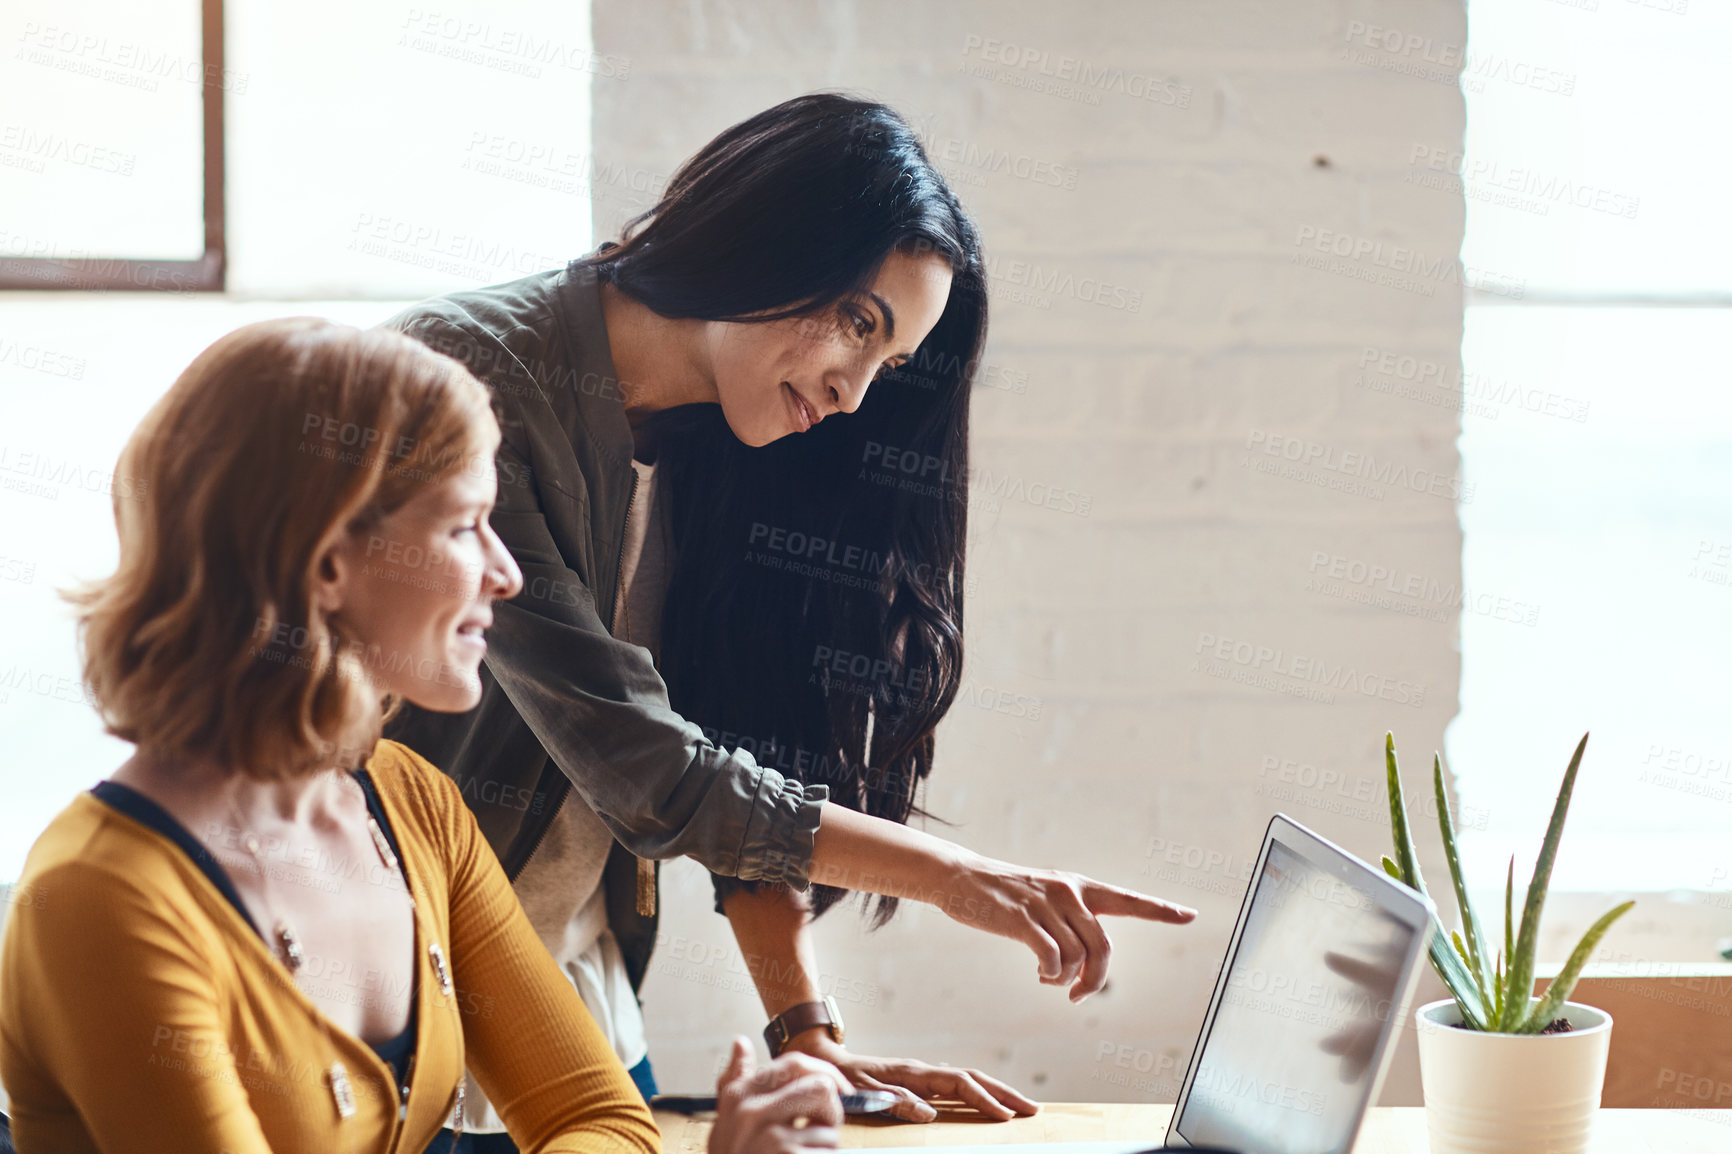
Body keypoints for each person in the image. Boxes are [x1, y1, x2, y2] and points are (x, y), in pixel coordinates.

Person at [381, 92, 1197, 1147]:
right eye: (859, 321)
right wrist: (959, 876)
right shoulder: (476, 373)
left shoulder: (737, 431)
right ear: (762, 244)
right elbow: (644, 765)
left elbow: (736, 742)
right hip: (407, 994)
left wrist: (803, 1030)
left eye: (889, 362)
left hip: (575, 990)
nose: (856, 392)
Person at [0, 318, 845, 1154]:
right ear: (325, 560)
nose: (506, 571)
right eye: (462, 526)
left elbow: (601, 1118)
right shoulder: (105, 899)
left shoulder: (411, 805)